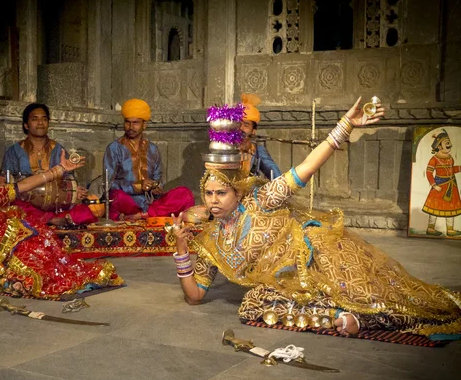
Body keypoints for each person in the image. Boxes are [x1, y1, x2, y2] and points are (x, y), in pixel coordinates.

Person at [171, 97, 461, 339]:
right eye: (208, 194)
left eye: (221, 193)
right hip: (291, 288)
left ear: (237, 191)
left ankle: (363, 316)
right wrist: (182, 251)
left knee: (378, 296)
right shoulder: (211, 242)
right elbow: (195, 295)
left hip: (321, 258)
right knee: (252, 304)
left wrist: (345, 126)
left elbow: (307, 167)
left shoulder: (262, 200)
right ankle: (343, 316)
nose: (213, 200)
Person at [0, 150, 123, 299]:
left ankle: (10, 279)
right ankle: (6, 280)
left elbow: (21, 187)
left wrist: (58, 170)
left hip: (21, 242)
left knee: (45, 276)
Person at [0, 103, 97, 227]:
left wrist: (76, 191)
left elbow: (69, 182)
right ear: (26, 125)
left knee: (85, 212)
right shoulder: (14, 151)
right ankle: (50, 220)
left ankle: (48, 219)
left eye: (44, 119)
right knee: (15, 208)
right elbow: (5, 185)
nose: (40, 123)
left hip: (55, 206)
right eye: (35, 119)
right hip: (27, 205)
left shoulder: (58, 149)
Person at [103, 98, 195, 221]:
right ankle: (149, 215)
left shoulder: (152, 149)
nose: (130, 127)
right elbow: (107, 184)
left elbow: (158, 178)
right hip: (127, 202)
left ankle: (142, 215)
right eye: (127, 122)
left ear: (144, 125)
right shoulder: (114, 148)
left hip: (150, 203)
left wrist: (156, 187)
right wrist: (137, 187)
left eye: (135, 123)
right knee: (115, 197)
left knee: (185, 193)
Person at [422, 129, 461, 237]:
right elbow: (429, 173)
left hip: (451, 185)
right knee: (434, 208)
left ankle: (450, 230)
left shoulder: (450, 158)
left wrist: (459, 168)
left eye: (450, 143)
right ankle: (430, 228)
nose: (450, 145)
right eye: (447, 143)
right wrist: (434, 185)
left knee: (451, 208)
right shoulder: (434, 159)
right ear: (439, 146)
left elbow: (451, 170)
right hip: (439, 185)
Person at [238, 93, 281, 180]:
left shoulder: (257, 151)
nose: (241, 128)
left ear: (253, 131)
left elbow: (277, 177)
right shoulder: (225, 148)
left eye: (246, 125)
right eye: (238, 124)